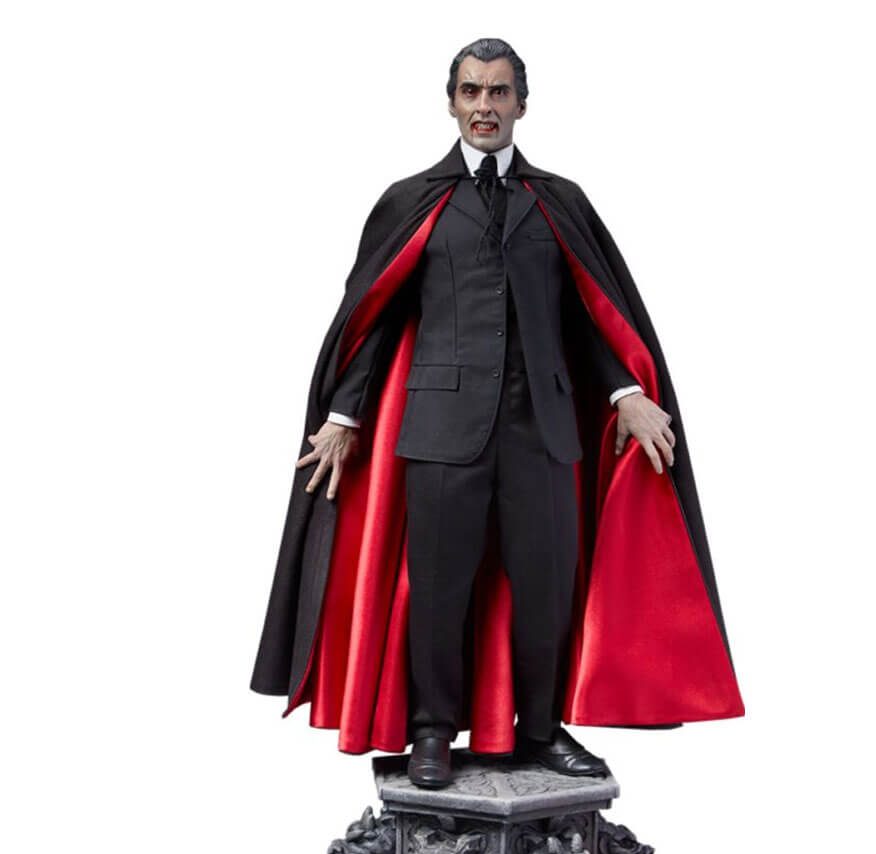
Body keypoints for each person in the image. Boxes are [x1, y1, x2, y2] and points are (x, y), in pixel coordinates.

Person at [250, 38, 744, 789]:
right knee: (439, 591)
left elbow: (591, 311)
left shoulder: (559, 201)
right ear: (451, 102)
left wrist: (628, 392)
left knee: (546, 592)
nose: (485, 106)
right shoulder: (412, 199)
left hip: (543, 432)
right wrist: (344, 417)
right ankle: (431, 733)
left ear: (522, 103)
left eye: (499, 92)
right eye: (472, 91)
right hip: (441, 431)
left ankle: (541, 733)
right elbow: (375, 315)